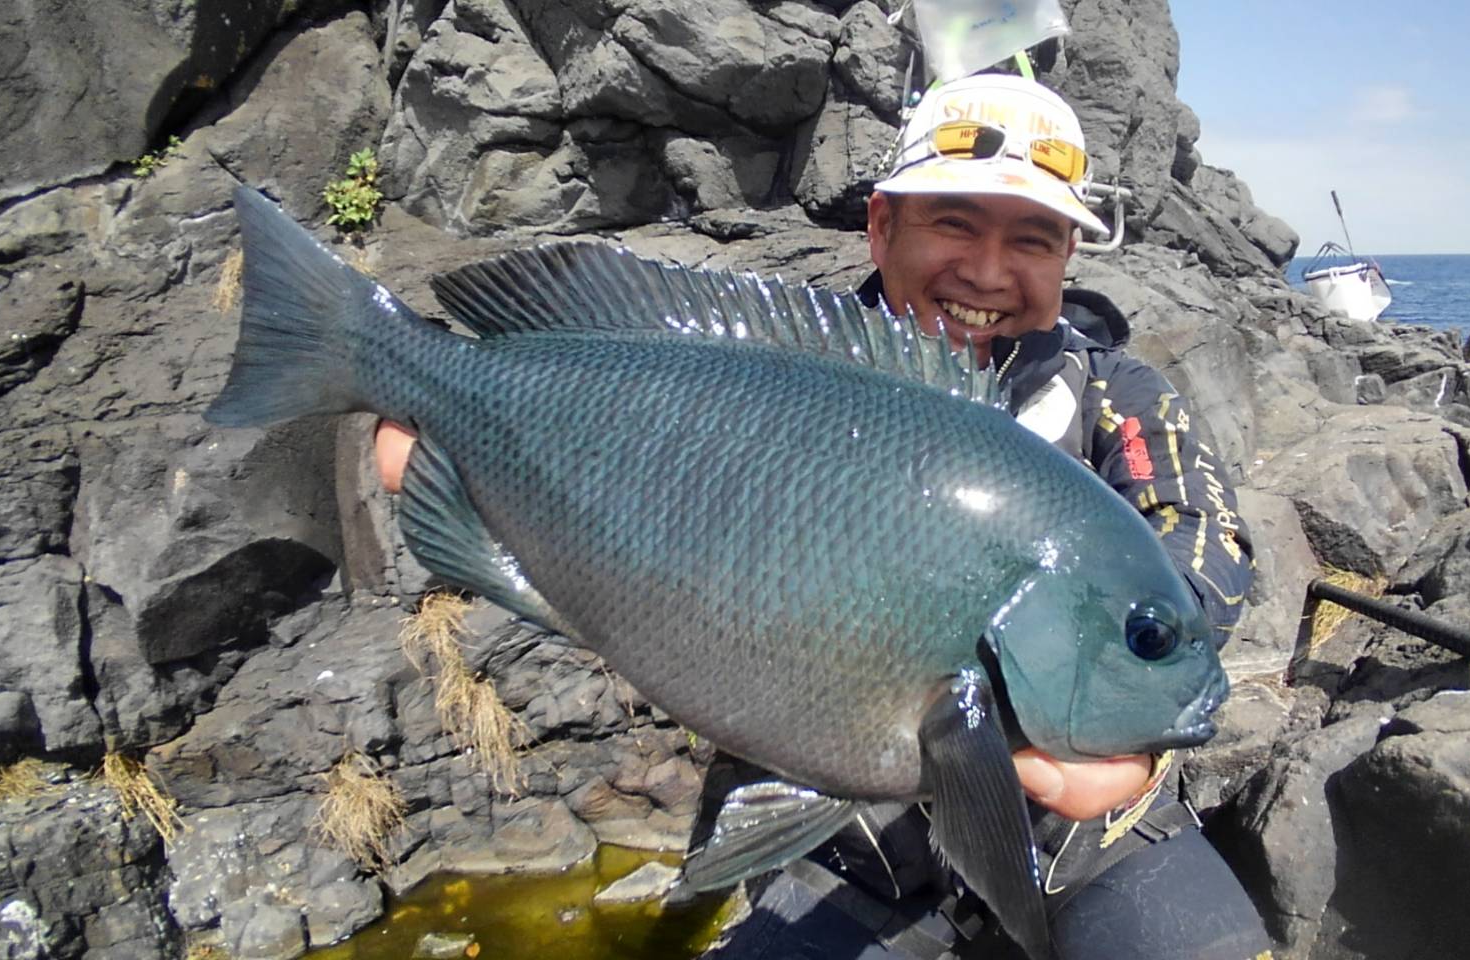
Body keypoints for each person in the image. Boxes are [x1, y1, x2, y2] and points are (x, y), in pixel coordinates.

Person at [372, 71, 1268, 960]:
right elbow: (641, 535)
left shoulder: (1121, 393)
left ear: (1067, 256)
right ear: (881, 226)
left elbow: (1204, 549)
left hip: (1087, 849)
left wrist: (1119, 686)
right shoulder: (776, 371)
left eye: (1033, 238)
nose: (990, 271)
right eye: (954, 222)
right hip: (845, 859)